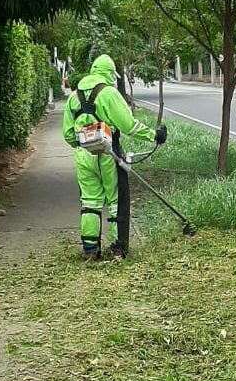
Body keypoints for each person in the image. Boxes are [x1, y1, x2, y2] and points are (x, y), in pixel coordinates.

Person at [62, 54, 166, 260]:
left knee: (90, 202)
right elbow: (129, 125)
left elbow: (67, 134)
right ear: (109, 74)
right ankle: (118, 249)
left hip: (84, 156)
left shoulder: (74, 97)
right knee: (116, 200)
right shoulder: (109, 93)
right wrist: (154, 135)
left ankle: (90, 251)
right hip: (109, 154)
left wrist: (84, 146)